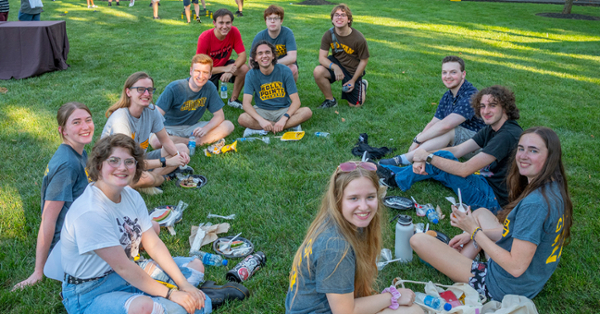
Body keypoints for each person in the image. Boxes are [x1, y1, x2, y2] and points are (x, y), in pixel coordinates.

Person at [410, 127, 573, 301]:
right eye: (521, 148)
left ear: (550, 156)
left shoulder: (536, 205)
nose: (523, 155)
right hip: (527, 280)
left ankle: (452, 262)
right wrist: (476, 235)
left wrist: (474, 232)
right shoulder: (553, 188)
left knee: (418, 240)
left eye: (533, 150)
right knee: (481, 213)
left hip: (502, 286)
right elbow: (519, 232)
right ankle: (456, 260)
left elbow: (515, 267)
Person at [60, 134, 211, 314]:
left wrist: (183, 284)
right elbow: (123, 267)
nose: (122, 168)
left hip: (123, 275)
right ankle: (157, 302)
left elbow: (153, 243)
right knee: (147, 308)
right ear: (99, 165)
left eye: (129, 162)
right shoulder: (91, 212)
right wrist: (171, 294)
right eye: (114, 161)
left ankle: (160, 300)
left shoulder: (131, 195)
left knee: (195, 268)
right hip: (88, 292)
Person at [286, 161, 423, 314]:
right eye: (354, 198)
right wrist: (392, 296)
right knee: (413, 311)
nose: (364, 207)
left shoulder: (338, 221)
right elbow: (346, 312)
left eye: (370, 197)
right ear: (338, 200)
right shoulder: (335, 247)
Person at [379, 86, 522, 214]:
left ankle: (393, 178)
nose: (485, 111)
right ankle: (390, 172)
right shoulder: (493, 128)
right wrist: (425, 156)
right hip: (485, 184)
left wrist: (427, 156)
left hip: (492, 200)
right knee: (442, 159)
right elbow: (458, 150)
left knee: (439, 163)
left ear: (505, 107)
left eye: (492, 106)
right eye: (482, 106)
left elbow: (464, 170)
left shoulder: (507, 135)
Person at [12, 103, 94, 291]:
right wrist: (39, 270)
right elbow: (48, 218)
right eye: (76, 122)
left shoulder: (79, 152)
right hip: (68, 245)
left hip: (81, 230)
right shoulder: (67, 165)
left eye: (88, 120)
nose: (85, 126)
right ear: (63, 131)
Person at [380, 56, 484, 166]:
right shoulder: (448, 95)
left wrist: (418, 140)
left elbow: (447, 125)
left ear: (463, 74)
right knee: (430, 131)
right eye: (444, 72)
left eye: (453, 72)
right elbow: (434, 122)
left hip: (478, 147)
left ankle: (404, 159)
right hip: (459, 145)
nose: (448, 76)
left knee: (448, 130)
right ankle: (415, 157)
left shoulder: (471, 95)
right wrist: (420, 138)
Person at [102, 71, 191, 195]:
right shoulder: (120, 119)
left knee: (182, 149)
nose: (146, 94)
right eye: (140, 89)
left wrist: (178, 157)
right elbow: (128, 162)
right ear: (128, 92)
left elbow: (165, 140)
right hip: (118, 168)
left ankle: (148, 180)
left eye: (149, 90)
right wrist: (166, 162)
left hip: (138, 162)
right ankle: (154, 180)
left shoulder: (151, 111)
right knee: (142, 177)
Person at [150, 54, 234, 149]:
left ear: (210, 75)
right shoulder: (174, 88)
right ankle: (195, 142)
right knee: (156, 142)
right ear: (191, 71)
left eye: (205, 72)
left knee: (228, 125)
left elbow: (219, 116)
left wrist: (206, 129)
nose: (200, 76)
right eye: (197, 71)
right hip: (169, 127)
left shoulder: (210, 88)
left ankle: (192, 141)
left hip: (193, 127)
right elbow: (156, 116)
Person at [239, 41, 312, 137]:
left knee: (307, 111)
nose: (264, 56)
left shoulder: (285, 71)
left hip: (283, 110)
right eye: (260, 53)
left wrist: (284, 118)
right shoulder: (251, 74)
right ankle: (287, 126)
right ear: (255, 58)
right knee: (242, 118)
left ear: (273, 56)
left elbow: (296, 101)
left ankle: (266, 128)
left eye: (267, 52)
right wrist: (261, 120)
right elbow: (246, 103)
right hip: (262, 110)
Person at [313, 3, 369, 108]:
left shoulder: (359, 38)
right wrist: (335, 67)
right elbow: (322, 57)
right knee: (318, 71)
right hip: (337, 62)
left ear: (349, 20)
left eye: (343, 15)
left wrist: (353, 80)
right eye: (336, 15)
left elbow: (364, 60)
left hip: (352, 69)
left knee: (355, 105)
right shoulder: (329, 34)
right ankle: (330, 100)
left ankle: (362, 85)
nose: (339, 17)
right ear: (332, 20)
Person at [196, 8, 249, 109]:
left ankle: (233, 100)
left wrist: (230, 71)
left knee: (244, 69)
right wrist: (225, 69)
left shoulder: (234, 31)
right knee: (209, 104)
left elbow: (243, 56)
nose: (224, 26)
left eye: (228, 23)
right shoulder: (205, 37)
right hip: (208, 70)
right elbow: (199, 66)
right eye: (221, 23)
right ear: (214, 23)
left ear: (231, 23)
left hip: (224, 65)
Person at [251, 5, 298, 82]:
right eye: (269, 19)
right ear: (266, 21)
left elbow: (292, 57)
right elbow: (251, 60)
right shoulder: (259, 36)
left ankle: (289, 92)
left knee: (293, 68)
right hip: (264, 66)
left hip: (282, 65)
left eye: (275, 18)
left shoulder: (287, 33)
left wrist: (272, 64)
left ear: (281, 21)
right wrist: (264, 67)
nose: (272, 21)